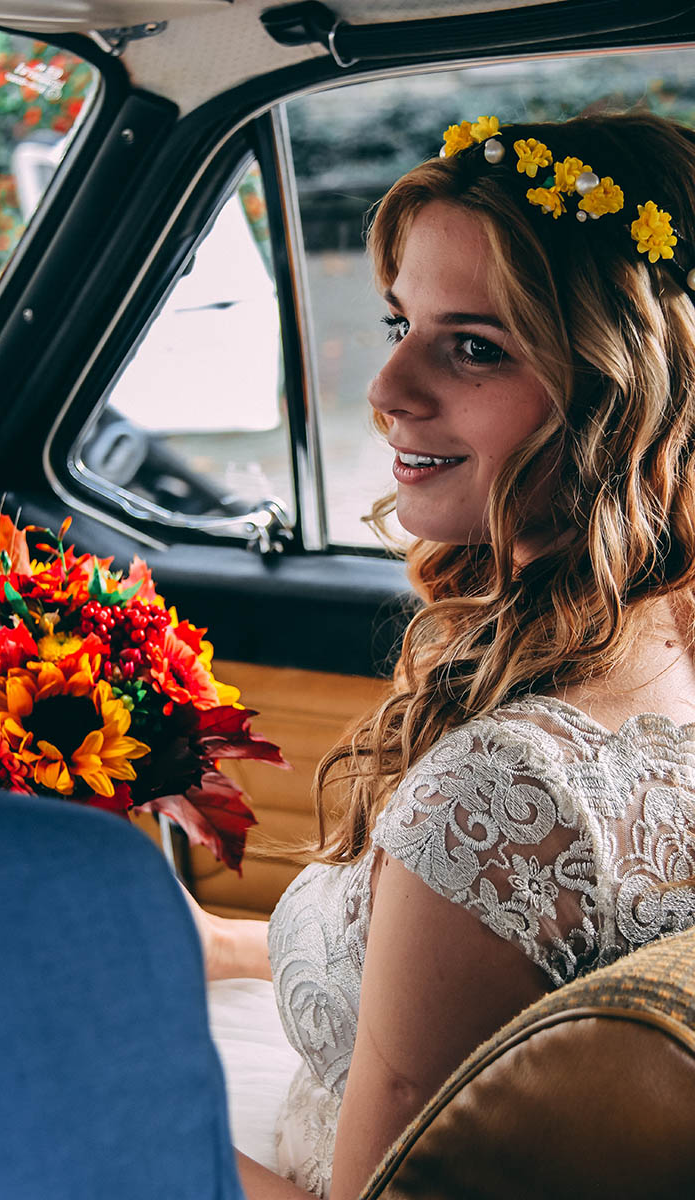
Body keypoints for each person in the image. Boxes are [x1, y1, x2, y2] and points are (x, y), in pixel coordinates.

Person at [186, 111, 695, 1200]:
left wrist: (106, 1112)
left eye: (475, 347)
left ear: (623, 394)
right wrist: (221, 945)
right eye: (397, 324)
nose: (385, 391)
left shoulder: (501, 794)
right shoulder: (660, 656)